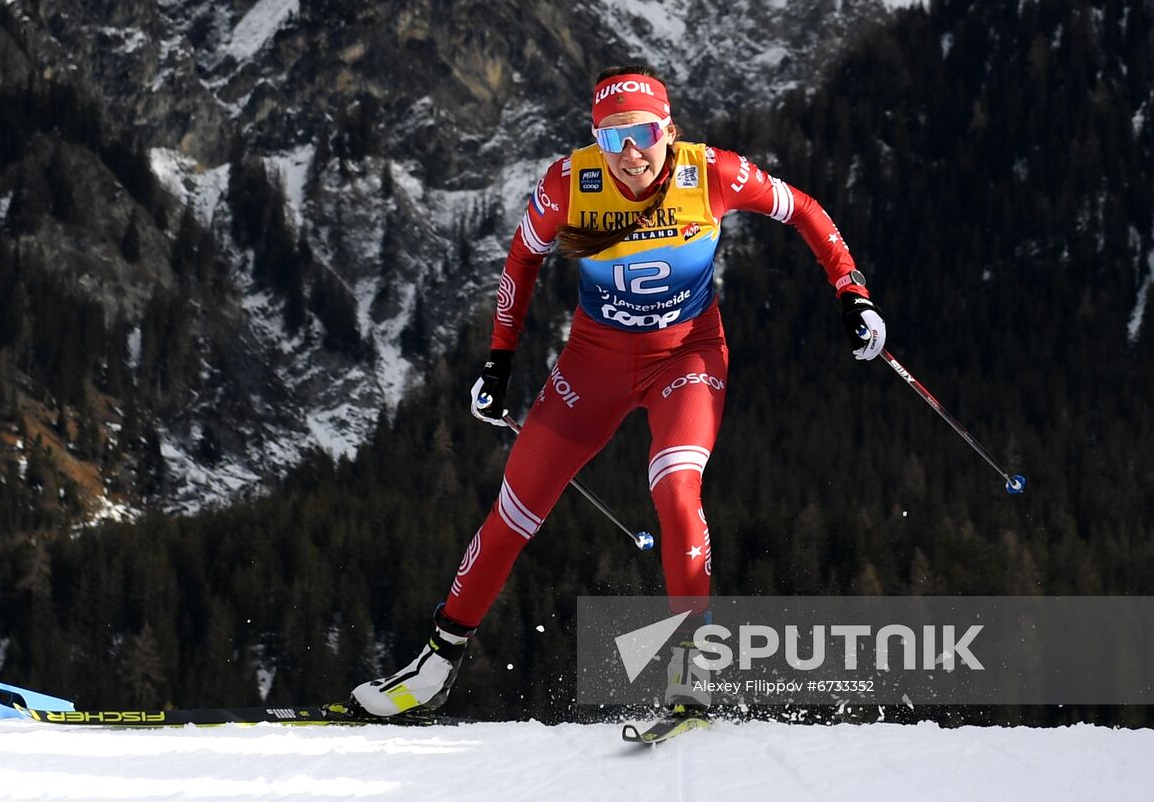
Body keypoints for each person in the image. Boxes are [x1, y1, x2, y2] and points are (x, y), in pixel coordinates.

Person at [351, 64, 886, 718]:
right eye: (611, 138)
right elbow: (522, 259)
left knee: (675, 487)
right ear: (594, 140)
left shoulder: (712, 173)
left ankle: (694, 674)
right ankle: (433, 666)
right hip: (593, 366)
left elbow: (804, 209)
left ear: (669, 129)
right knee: (515, 511)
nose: (629, 153)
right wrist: (498, 363)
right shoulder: (570, 185)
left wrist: (851, 291)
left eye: (641, 133)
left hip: (687, 356)